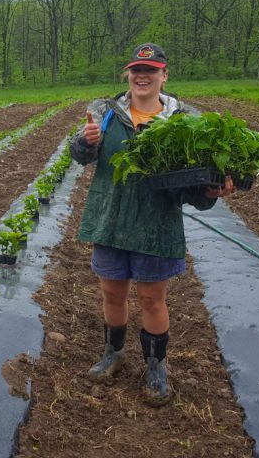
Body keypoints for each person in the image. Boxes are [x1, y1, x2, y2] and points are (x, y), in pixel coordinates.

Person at [69, 42, 235, 406]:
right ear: (128, 75)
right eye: (136, 70)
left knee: (151, 299)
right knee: (112, 293)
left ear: (164, 75)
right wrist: (85, 142)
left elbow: (192, 186)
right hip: (110, 218)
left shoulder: (184, 121)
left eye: (151, 70)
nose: (142, 76)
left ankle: (156, 367)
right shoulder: (104, 112)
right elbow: (80, 154)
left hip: (156, 223)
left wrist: (210, 192)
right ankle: (113, 353)